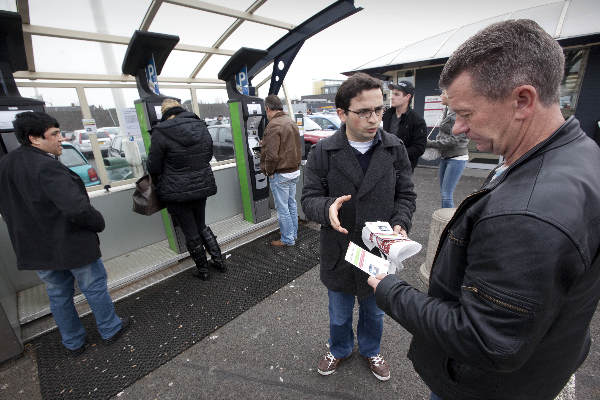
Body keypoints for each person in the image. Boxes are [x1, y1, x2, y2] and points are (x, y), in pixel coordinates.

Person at [368, 19, 600, 400]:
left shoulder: (526, 215)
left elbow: (484, 340)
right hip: (541, 366)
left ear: (522, 100)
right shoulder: (578, 154)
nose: (457, 129)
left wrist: (391, 290)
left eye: (467, 113)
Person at [301, 72, 416, 381]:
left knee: (374, 312)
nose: (374, 118)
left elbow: (406, 194)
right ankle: (339, 349)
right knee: (338, 315)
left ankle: (370, 349)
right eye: (364, 111)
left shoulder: (394, 149)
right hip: (339, 249)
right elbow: (308, 198)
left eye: (379, 109)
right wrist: (327, 208)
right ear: (342, 113)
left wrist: (400, 223)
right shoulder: (323, 153)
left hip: (378, 251)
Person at [0, 112, 129, 356]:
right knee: (94, 287)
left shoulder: (5, 165)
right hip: (69, 243)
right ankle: (110, 329)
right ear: (34, 139)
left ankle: (73, 342)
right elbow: (76, 208)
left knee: (58, 294)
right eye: (55, 134)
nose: (61, 138)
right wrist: (97, 222)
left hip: (35, 246)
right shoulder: (47, 167)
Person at [148, 99, 225, 280]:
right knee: (201, 225)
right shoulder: (199, 125)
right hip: (201, 184)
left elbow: (153, 166)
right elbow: (208, 154)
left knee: (190, 231)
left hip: (177, 191)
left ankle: (203, 270)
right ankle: (219, 261)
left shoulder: (161, 131)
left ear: (164, 112)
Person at [260, 95, 302, 247]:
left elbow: (271, 155)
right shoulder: (290, 121)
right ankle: (292, 233)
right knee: (291, 204)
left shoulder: (273, 125)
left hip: (281, 173)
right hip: (294, 170)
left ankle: (287, 239)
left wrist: (268, 171)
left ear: (268, 109)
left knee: (282, 208)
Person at [426, 90, 469, 208]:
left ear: (451, 96)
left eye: (443, 93)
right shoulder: (448, 111)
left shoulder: (459, 115)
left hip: (457, 158)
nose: (440, 96)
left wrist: (431, 143)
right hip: (446, 157)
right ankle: (446, 220)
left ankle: (449, 223)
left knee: (446, 195)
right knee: (444, 193)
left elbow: (454, 140)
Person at [382, 80, 427, 170]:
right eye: (392, 93)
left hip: (403, 168)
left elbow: (419, 148)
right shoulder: (387, 115)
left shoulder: (417, 120)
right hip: (385, 165)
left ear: (407, 97)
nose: (391, 97)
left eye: (397, 94)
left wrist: (397, 153)